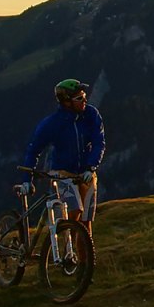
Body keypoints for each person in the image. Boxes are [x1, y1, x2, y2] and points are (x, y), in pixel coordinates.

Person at [23, 78, 105, 224]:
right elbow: (33, 151)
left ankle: (82, 246)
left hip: (86, 173)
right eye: (79, 98)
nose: (84, 100)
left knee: (86, 222)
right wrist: (26, 180)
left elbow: (99, 142)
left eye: (84, 96)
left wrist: (91, 167)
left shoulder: (91, 114)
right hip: (62, 174)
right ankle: (67, 244)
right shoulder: (52, 123)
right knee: (74, 211)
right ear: (66, 101)